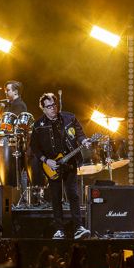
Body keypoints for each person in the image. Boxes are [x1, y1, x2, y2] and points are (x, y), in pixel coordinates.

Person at [30, 92, 89, 239]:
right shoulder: (38, 125)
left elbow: (80, 133)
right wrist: (46, 160)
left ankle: (78, 227)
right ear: (43, 108)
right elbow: (34, 147)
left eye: (54, 105)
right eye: (48, 106)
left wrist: (83, 141)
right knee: (56, 198)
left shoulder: (69, 118)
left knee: (73, 195)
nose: (52, 109)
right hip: (52, 166)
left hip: (70, 163)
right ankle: (59, 229)